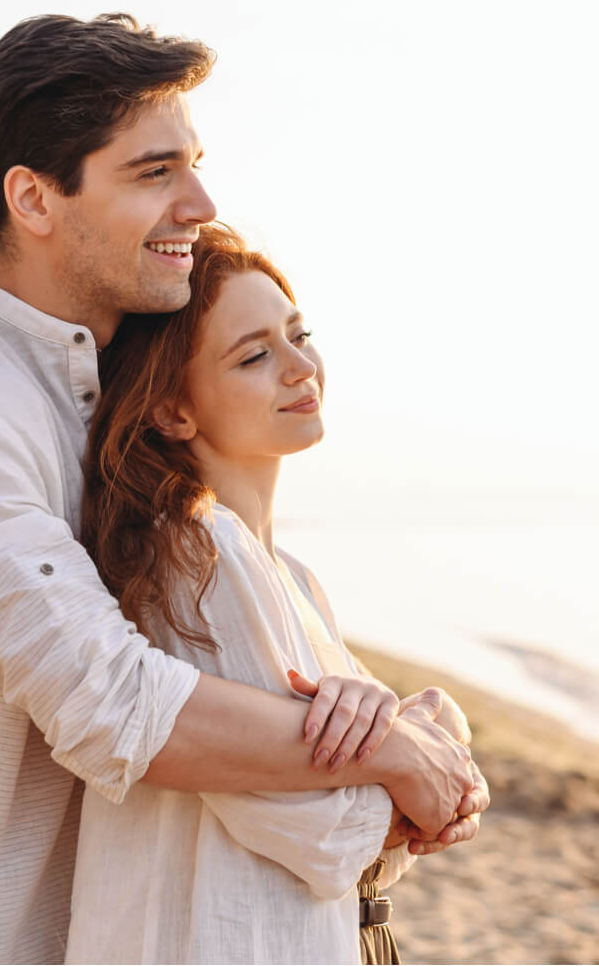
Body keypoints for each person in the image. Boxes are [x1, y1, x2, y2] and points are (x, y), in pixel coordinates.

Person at [0, 13, 486, 964]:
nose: (201, 201)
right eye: (155, 171)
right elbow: (114, 700)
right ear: (35, 200)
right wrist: (387, 751)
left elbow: (242, 652)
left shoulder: (126, 383)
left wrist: (403, 721)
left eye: (195, 163)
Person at [67, 223, 474, 965]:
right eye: (255, 355)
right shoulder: (196, 551)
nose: (300, 367)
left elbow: (359, 828)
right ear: (172, 411)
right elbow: (321, 836)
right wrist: (421, 759)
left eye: (298, 334)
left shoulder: (291, 575)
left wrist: (422, 738)